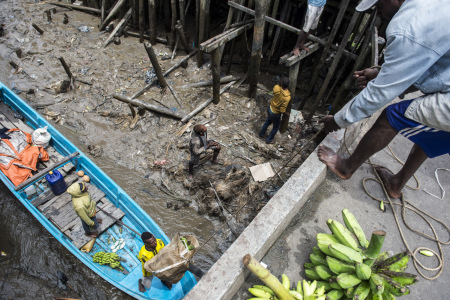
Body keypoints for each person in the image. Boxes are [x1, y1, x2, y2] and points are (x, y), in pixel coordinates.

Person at [317, 0, 450, 198]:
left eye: (379, 5)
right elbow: (423, 70)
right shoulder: (427, 7)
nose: (378, 14)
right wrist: (381, 74)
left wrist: (337, 120)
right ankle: (395, 184)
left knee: (392, 116)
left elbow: (378, 94)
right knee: (429, 125)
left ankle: (345, 167)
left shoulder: (408, 27)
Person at [259, 77, 291, 144]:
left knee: (268, 121)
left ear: (281, 83)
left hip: (270, 108)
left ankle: (261, 134)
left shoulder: (276, 87)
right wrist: (286, 113)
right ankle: (269, 139)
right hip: (276, 113)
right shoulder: (287, 97)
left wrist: (280, 83)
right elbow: (282, 110)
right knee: (276, 127)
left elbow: (275, 90)